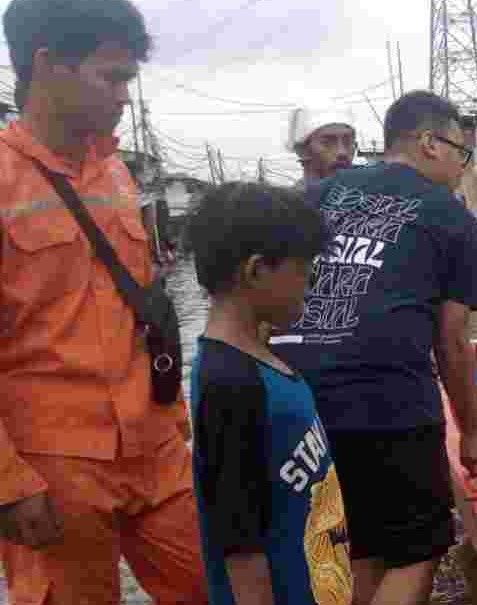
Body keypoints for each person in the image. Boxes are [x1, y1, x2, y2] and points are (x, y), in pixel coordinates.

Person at [0, 0, 207, 603]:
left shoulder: (116, 173)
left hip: (155, 447)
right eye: (111, 76)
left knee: (217, 585)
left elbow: (145, 306)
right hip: (56, 464)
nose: (124, 96)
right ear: (48, 66)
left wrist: (173, 417)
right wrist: (9, 483)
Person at [271, 90, 477, 605]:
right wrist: (474, 431)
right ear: (429, 143)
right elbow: (451, 340)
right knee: (417, 551)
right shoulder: (448, 214)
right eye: (462, 152)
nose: (463, 167)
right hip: (390, 407)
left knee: (359, 547)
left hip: (297, 407)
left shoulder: (313, 197)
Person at [186, 182, 353, 605]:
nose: (310, 284)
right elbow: (239, 539)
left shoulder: (259, 354)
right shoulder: (229, 383)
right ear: (257, 270)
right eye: (303, 270)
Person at [287, 106, 357, 190]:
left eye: (348, 142)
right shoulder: (289, 201)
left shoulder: (367, 197)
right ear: (303, 150)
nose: (342, 152)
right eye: (327, 143)